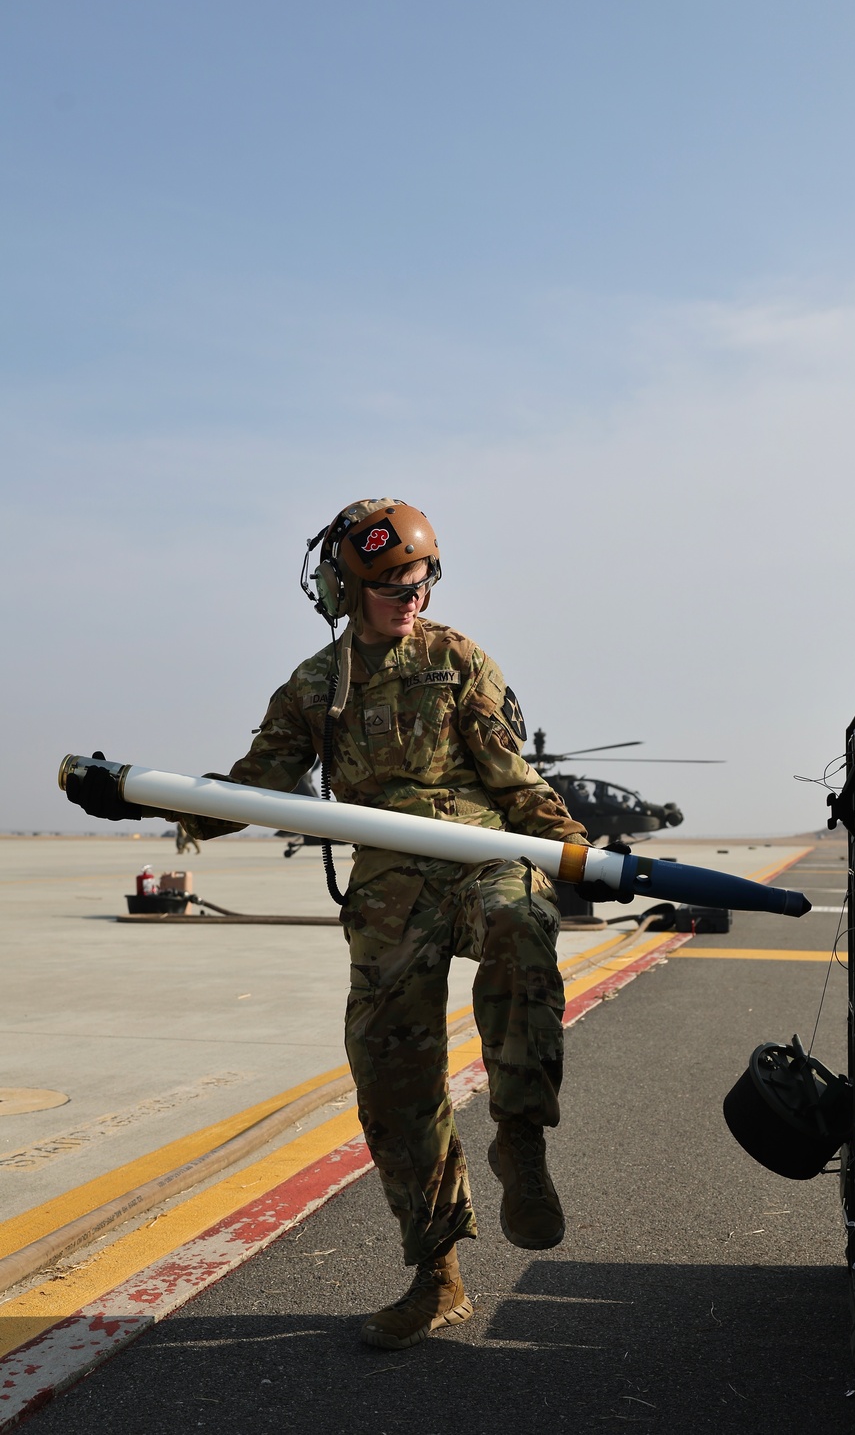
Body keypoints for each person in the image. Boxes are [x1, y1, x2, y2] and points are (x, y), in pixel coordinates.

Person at [68, 497, 612, 1351]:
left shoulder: (460, 661)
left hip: (481, 853)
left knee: (519, 924)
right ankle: (436, 1275)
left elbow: (517, 781)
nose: (412, 596)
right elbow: (256, 783)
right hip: (389, 891)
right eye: (392, 584)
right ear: (344, 589)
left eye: (421, 577)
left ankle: (519, 1138)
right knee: (392, 1074)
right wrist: (148, 801)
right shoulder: (316, 687)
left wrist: (573, 849)